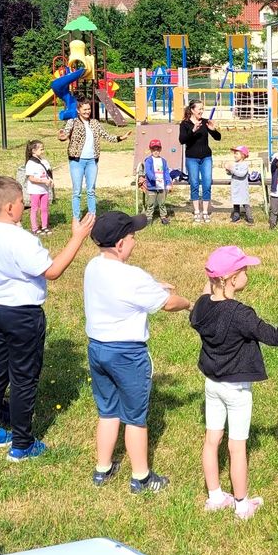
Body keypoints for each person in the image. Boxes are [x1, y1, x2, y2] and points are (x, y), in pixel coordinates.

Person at [0, 176, 94, 461]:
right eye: (22, 202)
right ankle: (22, 444)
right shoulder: (23, 239)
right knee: (24, 377)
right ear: (12, 207)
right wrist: (77, 238)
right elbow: (52, 271)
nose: (24, 206)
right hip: (21, 314)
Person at [84, 211, 191, 492]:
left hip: (97, 350)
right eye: (132, 238)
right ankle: (141, 477)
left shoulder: (93, 266)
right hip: (127, 354)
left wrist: (153, 285)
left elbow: (125, 286)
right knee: (135, 416)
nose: (135, 242)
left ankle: (102, 469)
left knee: (107, 411)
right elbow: (168, 304)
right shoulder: (133, 277)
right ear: (120, 244)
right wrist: (188, 303)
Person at [190, 246, 278, 519]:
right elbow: (274, 336)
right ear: (233, 279)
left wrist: (211, 282)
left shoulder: (201, 306)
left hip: (212, 384)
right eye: (245, 269)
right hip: (236, 389)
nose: (248, 272)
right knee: (237, 446)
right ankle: (242, 505)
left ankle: (214, 497)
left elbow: (201, 305)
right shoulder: (241, 314)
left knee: (212, 440)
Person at [58, 99, 131, 218]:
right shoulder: (72, 122)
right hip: (77, 161)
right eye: (85, 109)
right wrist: (62, 136)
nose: (88, 111)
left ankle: (92, 217)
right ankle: (76, 218)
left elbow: (106, 136)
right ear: (78, 110)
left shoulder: (95, 123)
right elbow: (65, 134)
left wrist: (120, 138)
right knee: (77, 192)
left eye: (89, 109)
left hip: (92, 161)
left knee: (91, 191)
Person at [178, 99, 222, 223]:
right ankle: (197, 211)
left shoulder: (204, 122)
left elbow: (218, 138)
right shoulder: (185, 124)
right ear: (192, 110)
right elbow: (182, 140)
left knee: (207, 184)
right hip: (192, 158)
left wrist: (213, 130)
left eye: (203, 109)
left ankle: (205, 212)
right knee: (195, 184)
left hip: (206, 158)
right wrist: (193, 131)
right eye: (199, 109)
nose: (201, 111)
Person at [24, 140, 54, 235]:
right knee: (35, 209)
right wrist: (43, 181)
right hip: (35, 190)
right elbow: (31, 178)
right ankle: (35, 228)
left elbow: (49, 173)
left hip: (44, 190)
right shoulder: (30, 163)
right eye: (41, 149)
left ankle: (44, 226)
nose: (43, 151)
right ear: (33, 150)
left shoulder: (44, 162)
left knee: (44, 208)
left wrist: (51, 181)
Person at [142, 139, 171, 225]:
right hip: (152, 186)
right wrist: (154, 178)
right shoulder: (149, 160)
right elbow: (148, 171)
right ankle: (149, 217)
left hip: (161, 186)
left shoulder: (163, 161)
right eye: (153, 149)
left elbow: (166, 172)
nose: (156, 151)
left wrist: (168, 183)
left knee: (162, 203)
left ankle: (163, 217)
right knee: (150, 203)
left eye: (157, 149)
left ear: (160, 149)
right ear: (150, 150)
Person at [225, 145, 253, 224]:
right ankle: (236, 217)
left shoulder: (244, 165)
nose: (235, 155)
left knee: (245, 203)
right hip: (235, 187)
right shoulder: (234, 164)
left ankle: (250, 218)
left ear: (243, 155)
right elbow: (231, 173)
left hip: (242, 188)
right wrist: (227, 170)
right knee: (236, 203)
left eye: (236, 153)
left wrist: (232, 169)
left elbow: (241, 174)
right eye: (234, 153)